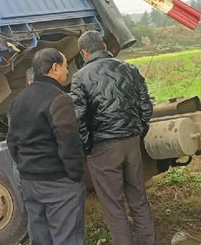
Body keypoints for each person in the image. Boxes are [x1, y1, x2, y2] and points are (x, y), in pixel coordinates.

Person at [70, 30, 156, 245]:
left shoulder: (80, 77)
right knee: (138, 198)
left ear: (84, 52)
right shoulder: (129, 69)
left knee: (114, 205)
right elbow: (146, 106)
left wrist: (88, 148)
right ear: (105, 47)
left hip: (103, 147)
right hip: (131, 141)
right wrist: (138, 131)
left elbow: (79, 119)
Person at [7, 48, 85, 245]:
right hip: (58, 182)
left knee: (41, 238)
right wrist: (74, 176)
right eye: (66, 67)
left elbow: (12, 142)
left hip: (29, 181)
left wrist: (26, 166)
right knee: (67, 238)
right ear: (55, 68)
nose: (68, 72)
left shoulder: (18, 101)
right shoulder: (59, 99)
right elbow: (69, 142)